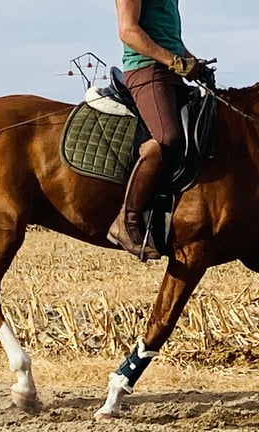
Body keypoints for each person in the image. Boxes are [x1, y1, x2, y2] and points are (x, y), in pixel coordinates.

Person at [108, 0, 207, 261]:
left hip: (170, 73)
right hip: (145, 72)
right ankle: (126, 221)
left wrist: (191, 61)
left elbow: (170, 39)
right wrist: (173, 61)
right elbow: (128, 30)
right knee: (166, 138)